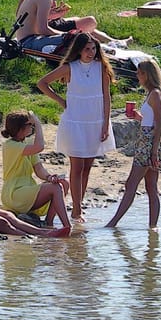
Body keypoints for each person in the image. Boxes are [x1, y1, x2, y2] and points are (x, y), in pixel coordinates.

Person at [36, 33, 115, 222]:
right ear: (79, 50)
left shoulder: (101, 68)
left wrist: (106, 123)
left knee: (87, 166)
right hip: (75, 121)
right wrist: (62, 101)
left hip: (95, 122)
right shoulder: (70, 68)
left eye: (94, 48)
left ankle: (78, 204)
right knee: (77, 165)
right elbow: (43, 83)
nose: (90, 52)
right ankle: (77, 209)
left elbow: (106, 97)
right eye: (87, 49)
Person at [103, 59, 161, 230]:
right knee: (151, 187)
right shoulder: (154, 94)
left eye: (139, 73)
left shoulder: (155, 94)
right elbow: (156, 120)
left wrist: (153, 150)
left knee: (131, 184)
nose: (137, 76)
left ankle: (113, 223)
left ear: (147, 75)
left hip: (148, 142)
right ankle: (152, 227)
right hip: (149, 140)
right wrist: (140, 117)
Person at [0, 111, 73, 230]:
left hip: (27, 189)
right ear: (21, 128)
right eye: (29, 124)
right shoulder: (10, 145)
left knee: (63, 183)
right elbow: (39, 147)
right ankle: (67, 226)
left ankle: (49, 223)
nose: (31, 127)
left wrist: (49, 177)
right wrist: (38, 124)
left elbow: (38, 168)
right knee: (55, 188)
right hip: (14, 192)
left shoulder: (26, 143)